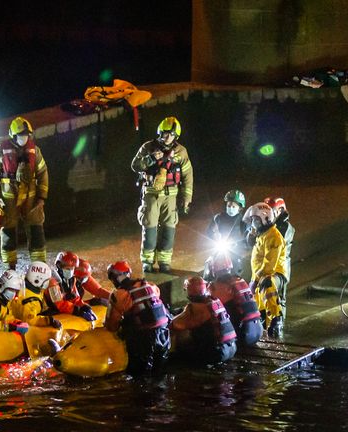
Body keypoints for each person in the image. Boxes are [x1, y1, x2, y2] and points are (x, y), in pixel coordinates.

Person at [131, 116, 194, 274]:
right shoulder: (148, 147)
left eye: (170, 135)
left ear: (176, 136)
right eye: (164, 134)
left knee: (169, 228)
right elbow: (135, 165)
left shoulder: (181, 152)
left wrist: (186, 199)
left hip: (171, 196)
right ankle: (147, 261)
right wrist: (151, 158)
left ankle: (165, 262)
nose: (166, 137)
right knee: (150, 227)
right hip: (151, 194)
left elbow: (188, 176)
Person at [0, 116, 48, 270]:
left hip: (31, 199)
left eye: (26, 136)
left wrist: (41, 198)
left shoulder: (35, 151)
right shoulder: (1, 151)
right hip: (9, 200)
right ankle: (10, 266)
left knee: (36, 230)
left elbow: (43, 173)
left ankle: (39, 265)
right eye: (21, 136)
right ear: (13, 136)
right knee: (8, 231)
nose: (24, 139)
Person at [106, 260, 171, 375]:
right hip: (164, 333)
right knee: (160, 373)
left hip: (143, 338)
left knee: (139, 376)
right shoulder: (150, 286)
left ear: (113, 278)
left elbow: (112, 325)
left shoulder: (118, 295)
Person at [243, 202, 288, 338]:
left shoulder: (274, 237)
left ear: (265, 218)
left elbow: (269, 266)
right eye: (252, 220)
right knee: (255, 299)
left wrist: (255, 280)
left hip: (275, 275)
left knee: (266, 283)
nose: (253, 223)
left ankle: (276, 318)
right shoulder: (262, 235)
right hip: (259, 275)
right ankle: (261, 320)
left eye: (255, 220)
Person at [170, 276, 237, 363]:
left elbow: (176, 324)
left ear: (189, 290)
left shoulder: (195, 307)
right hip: (231, 348)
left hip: (217, 353)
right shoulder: (215, 301)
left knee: (180, 344)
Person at [207, 253, 263, 347]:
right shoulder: (240, 280)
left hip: (243, 335)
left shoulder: (217, 286)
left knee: (211, 315)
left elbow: (210, 306)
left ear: (214, 269)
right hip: (257, 331)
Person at [205, 189, 248, 280]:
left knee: (235, 274)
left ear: (240, 208)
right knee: (209, 267)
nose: (231, 208)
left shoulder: (243, 221)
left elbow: (247, 238)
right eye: (229, 205)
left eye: (233, 206)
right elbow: (209, 232)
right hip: (219, 250)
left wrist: (239, 244)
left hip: (235, 253)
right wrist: (215, 237)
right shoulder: (218, 218)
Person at [44, 251, 97, 322]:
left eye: (72, 269)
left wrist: (85, 307)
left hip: (65, 308)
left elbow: (75, 298)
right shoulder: (52, 282)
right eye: (68, 269)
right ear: (59, 266)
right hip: (53, 310)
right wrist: (78, 311)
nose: (71, 271)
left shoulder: (72, 280)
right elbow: (59, 304)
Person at [263, 197, 295, 314]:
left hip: (280, 268)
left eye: (271, 210)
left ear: (280, 210)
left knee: (279, 299)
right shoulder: (267, 225)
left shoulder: (286, 227)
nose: (268, 214)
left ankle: (278, 327)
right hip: (267, 266)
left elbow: (277, 245)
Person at [11, 261, 62, 329]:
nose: (48, 282)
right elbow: (29, 321)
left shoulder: (28, 287)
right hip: (20, 322)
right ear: (38, 280)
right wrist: (49, 321)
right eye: (46, 280)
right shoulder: (31, 301)